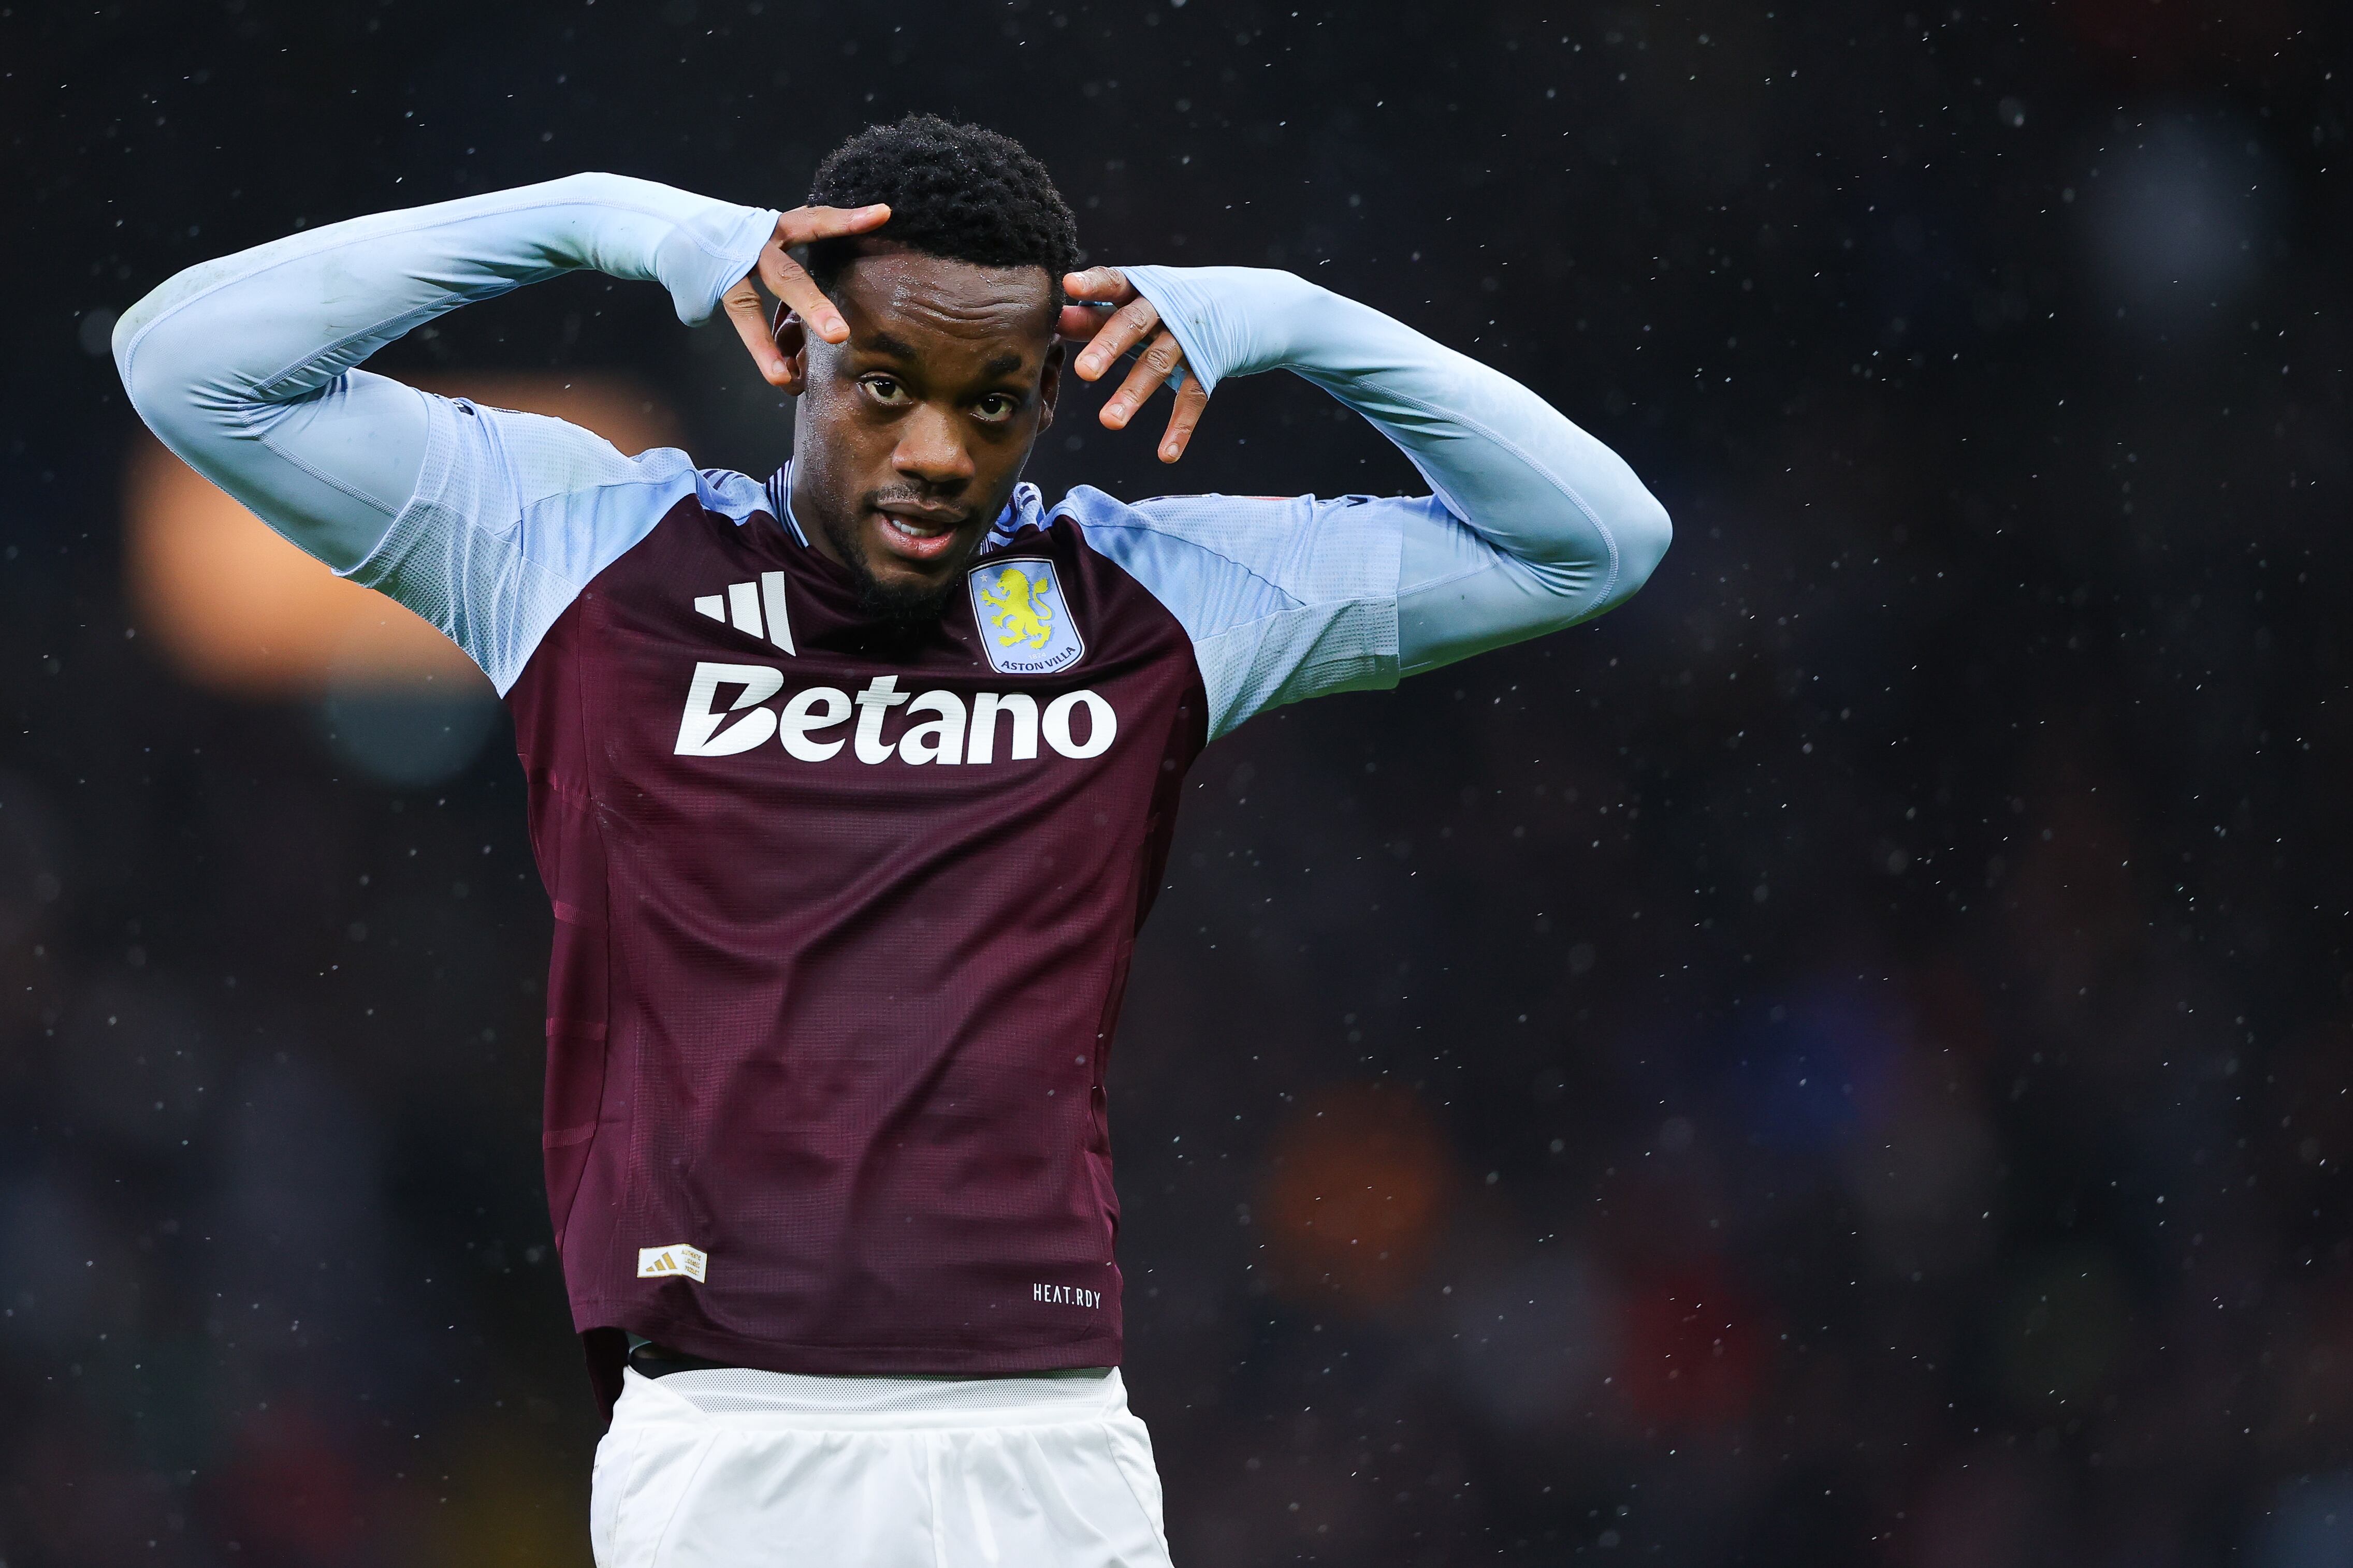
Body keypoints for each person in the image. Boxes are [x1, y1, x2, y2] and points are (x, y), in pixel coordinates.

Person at [113, 114, 1671, 1566]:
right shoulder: (579, 551)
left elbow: (1597, 540)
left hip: (1049, 1439)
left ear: (1045, 404)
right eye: (886, 385)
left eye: (992, 404)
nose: (938, 450)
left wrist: (1290, 320)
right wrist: (595, 221)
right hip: (730, 1443)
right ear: (792, 353)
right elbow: (186, 364)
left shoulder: (1151, 599)